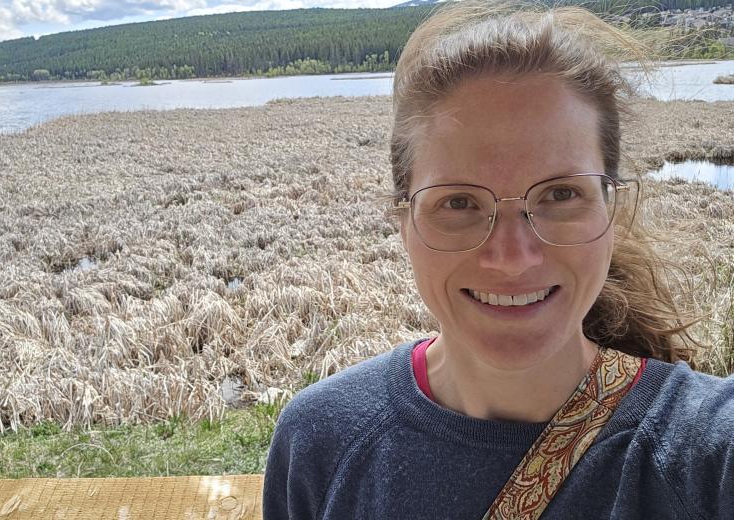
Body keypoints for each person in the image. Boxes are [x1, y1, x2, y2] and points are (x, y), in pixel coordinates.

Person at [262, 3, 734, 519]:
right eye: (459, 202)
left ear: (611, 209)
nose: (511, 259)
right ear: (403, 222)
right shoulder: (319, 443)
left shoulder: (708, 456)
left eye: (560, 194)